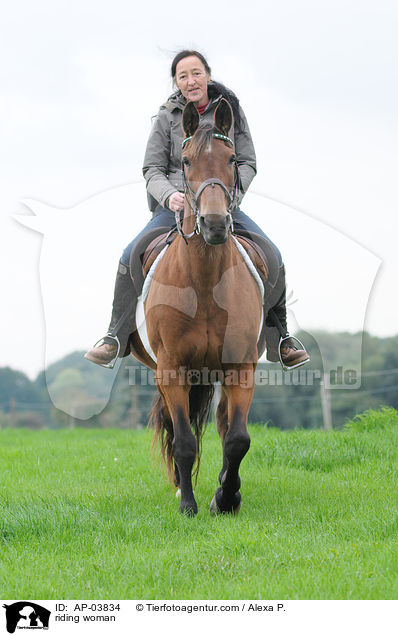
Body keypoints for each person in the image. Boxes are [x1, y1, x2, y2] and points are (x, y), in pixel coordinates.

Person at [85, 50, 310, 369]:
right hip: (176, 207)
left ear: (207, 74)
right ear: (176, 82)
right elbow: (152, 168)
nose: (190, 81)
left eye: (196, 73)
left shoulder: (232, 112)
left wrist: (230, 198)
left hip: (222, 206)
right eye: (182, 76)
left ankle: (281, 339)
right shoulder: (167, 116)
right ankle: (114, 337)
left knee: (272, 255)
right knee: (128, 255)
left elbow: (247, 162)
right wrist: (170, 197)